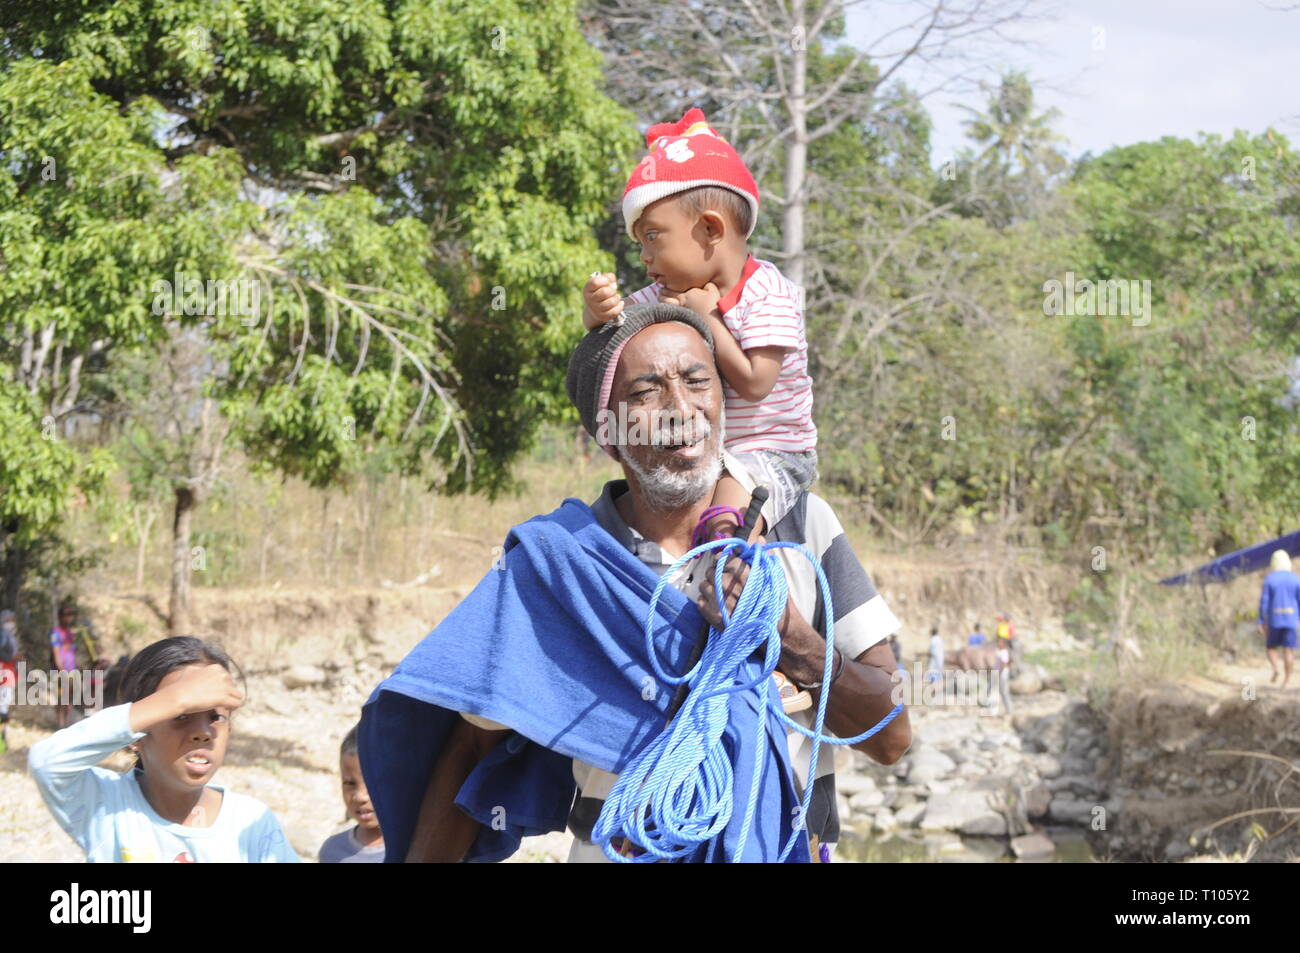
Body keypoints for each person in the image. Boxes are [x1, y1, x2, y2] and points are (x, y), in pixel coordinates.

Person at [359, 303, 911, 863]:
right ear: (609, 434)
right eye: (646, 393)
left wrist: (795, 645)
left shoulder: (801, 529)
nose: (682, 409)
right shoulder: (561, 563)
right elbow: (472, 743)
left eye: (699, 382)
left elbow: (890, 738)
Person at [583, 107, 815, 542]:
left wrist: (705, 316)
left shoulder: (769, 293)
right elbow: (619, 329)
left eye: (652, 236)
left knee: (724, 525)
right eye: (638, 243)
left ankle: (741, 585)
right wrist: (596, 313)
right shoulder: (669, 292)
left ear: (710, 228)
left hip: (770, 452)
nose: (643, 256)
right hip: (705, 448)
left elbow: (755, 383)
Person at [28, 636, 299, 862]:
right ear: (137, 734)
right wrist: (175, 698)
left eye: (215, 717)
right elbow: (47, 762)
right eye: (181, 716)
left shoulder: (251, 823)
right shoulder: (105, 806)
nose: (203, 733)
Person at [319, 724, 385, 863]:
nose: (360, 796)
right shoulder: (333, 852)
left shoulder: (416, 849)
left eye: (372, 783)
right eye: (350, 783)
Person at [48, 602, 101, 729]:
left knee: (69, 699)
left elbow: (72, 653)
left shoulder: (70, 634)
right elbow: (56, 653)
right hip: (60, 671)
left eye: (71, 615)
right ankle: (60, 725)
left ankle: (65, 724)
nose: (69, 618)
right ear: (60, 616)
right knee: (62, 699)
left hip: (72, 670)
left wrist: (78, 668)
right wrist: (61, 670)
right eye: (66, 615)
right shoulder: (55, 633)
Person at [1259, 549, 1300, 688]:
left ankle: (1275, 668)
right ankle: (1287, 681)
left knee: (1271, 647)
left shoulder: (1270, 579)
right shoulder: (1295, 579)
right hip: (1291, 619)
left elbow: (1264, 602)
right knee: (1288, 650)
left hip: (1274, 619)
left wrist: (1261, 621)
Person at [0, 609, 19, 754]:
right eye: (8, 621)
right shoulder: (3, 636)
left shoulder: (11, 637)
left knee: (4, 708)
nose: (10, 623)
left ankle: (3, 738)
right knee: (3, 710)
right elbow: (7, 656)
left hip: (9, 675)